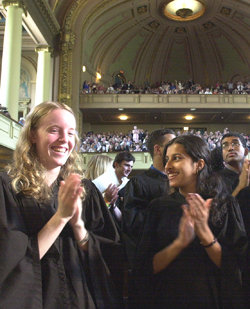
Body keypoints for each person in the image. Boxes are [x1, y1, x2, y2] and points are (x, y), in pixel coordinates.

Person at [0, 101, 122, 309]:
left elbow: (110, 256)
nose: (65, 139)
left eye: (71, 132)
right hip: (35, 298)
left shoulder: (86, 190)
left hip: (80, 297)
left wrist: (78, 227)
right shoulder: (8, 188)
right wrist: (61, 217)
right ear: (32, 135)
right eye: (54, 130)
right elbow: (9, 262)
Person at [134, 135, 247, 308]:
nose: (168, 166)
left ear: (199, 164)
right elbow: (145, 268)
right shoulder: (158, 207)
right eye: (166, 160)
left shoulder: (225, 204)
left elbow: (235, 269)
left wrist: (205, 234)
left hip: (212, 299)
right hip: (167, 299)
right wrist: (179, 243)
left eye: (177, 158)